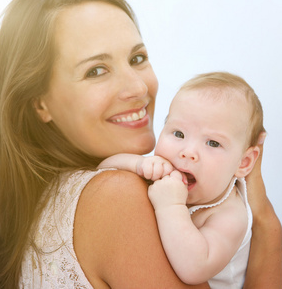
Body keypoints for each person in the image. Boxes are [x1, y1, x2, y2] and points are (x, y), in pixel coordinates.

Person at [0, 0, 282, 288]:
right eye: (96, 71)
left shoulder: (33, 204)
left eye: (136, 58)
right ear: (39, 102)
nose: (138, 88)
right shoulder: (118, 196)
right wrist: (267, 225)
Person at [98, 71, 264, 288]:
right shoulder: (162, 168)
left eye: (213, 143)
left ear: (243, 163)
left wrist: (171, 206)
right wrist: (137, 164)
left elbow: (194, 269)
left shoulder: (230, 215)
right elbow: (102, 172)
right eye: (178, 134)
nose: (188, 152)